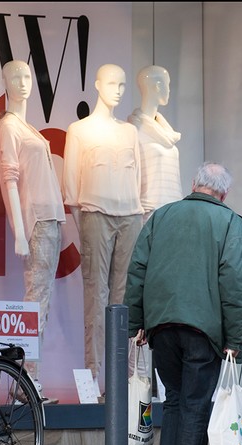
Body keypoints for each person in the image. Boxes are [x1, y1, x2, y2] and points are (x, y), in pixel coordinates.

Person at [123, 162, 242, 445]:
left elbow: (137, 271)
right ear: (223, 193)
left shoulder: (161, 217)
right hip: (204, 330)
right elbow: (236, 284)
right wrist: (235, 340)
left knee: (177, 399)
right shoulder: (229, 223)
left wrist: (135, 322)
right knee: (195, 403)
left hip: (161, 326)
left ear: (194, 185)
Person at [61, 63, 143, 398]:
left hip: (130, 216)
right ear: (97, 85)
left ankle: (123, 381)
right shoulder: (79, 130)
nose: (119, 90)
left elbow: (139, 180)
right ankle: (93, 378)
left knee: (126, 301)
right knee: (96, 297)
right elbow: (70, 185)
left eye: (123, 84)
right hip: (94, 212)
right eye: (112, 83)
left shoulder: (130, 132)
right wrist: (82, 223)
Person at [0, 60, 66, 403]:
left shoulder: (27, 126)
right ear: (5, 82)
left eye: (27, 76)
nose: (23, 82)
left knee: (43, 301)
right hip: (36, 221)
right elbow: (8, 179)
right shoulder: (9, 127)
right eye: (15, 77)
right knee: (35, 301)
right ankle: (26, 380)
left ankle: (29, 378)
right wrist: (19, 231)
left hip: (51, 219)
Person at [127, 65, 183, 224]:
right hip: (149, 212)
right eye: (168, 84)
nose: (169, 90)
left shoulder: (167, 133)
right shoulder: (134, 131)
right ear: (158, 86)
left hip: (174, 209)